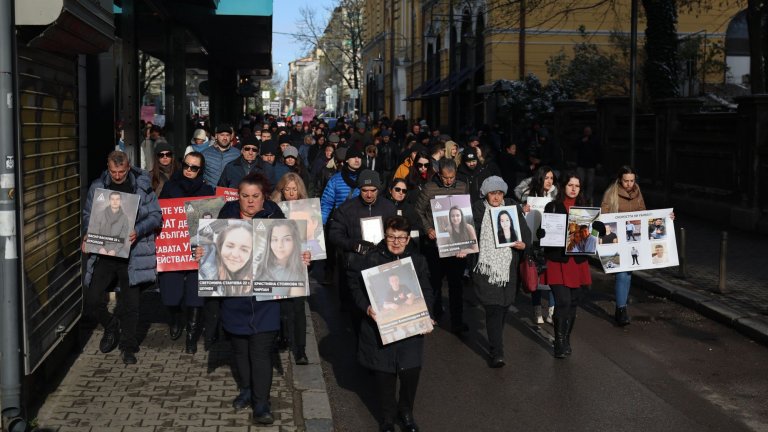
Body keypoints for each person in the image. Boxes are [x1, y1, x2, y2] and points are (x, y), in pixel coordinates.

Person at [195, 173, 309, 425]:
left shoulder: (274, 215)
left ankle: (261, 404)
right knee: (240, 348)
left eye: (255, 197)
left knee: (260, 351)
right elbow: (207, 246)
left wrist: (301, 259)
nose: (249, 202)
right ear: (238, 196)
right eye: (244, 196)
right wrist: (201, 250)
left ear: (264, 196)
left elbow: (289, 248)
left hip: (265, 299)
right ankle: (246, 389)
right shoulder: (225, 214)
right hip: (233, 297)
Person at [349, 216, 434, 432]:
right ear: (385, 236)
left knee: (410, 373)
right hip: (380, 330)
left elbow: (426, 291)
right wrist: (367, 307)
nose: (396, 242)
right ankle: (387, 419)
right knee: (384, 375)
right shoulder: (370, 259)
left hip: (410, 329)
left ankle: (406, 413)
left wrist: (428, 315)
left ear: (407, 239)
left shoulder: (418, 261)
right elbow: (356, 288)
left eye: (401, 238)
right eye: (391, 237)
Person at [82, 151, 162, 365]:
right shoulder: (98, 187)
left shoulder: (142, 187)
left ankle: (128, 346)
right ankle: (110, 326)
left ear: (128, 168)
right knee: (91, 299)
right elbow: (88, 215)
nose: (117, 176)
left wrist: (138, 229)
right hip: (106, 254)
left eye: (121, 172)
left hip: (132, 255)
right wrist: (88, 233)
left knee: (131, 305)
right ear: (108, 169)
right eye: (113, 172)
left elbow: (156, 216)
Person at [158, 151, 215, 352]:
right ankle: (175, 317)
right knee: (170, 294)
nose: (189, 170)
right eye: (186, 166)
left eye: (194, 167)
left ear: (200, 170)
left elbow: (213, 220)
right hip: (174, 249)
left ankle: (191, 334)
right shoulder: (170, 187)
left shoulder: (208, 190)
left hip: (198, 250)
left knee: (195, 293)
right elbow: (160, 213)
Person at [471, 176, 530, 367]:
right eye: (492, 193)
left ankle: (495, 341)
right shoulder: (477, 210)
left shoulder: (512, 209)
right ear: (485, 194)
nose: (495, 197)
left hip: (508, 266)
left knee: (504, 305)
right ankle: (497, 352)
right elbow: (467, 235)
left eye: (499, 193)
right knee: (493, 307)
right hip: (486, 267)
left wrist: (524, 244)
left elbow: (525, 232)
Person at [414, 158, 471, 333]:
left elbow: (466, 212)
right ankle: (435, 313)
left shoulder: (462, 186)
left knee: (456, 284)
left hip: (456, 244)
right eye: (445, 177)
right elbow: (418, 210)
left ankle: (457, 321)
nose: (448, 181)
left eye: (451, 177)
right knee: (435, 283)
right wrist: (428, 228)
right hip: (434, 245)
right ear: (439, 174)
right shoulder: (430, 188)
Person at [539, 172, 591, 358]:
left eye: (577, 185)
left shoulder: (585, 209)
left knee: (574, 303)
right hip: (557, 261)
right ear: (563, 187)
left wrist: (598, 230)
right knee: (563, 301)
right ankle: (559, 342)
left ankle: (566, 339)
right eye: (570, 185)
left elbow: (593, 233)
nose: (574, 188)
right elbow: (543, 234)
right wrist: (542, 233)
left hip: (577, 262)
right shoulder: (553, 206)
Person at [601, 166, 647, 326]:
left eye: (632, 181)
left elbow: (644, 213)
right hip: (616, 240)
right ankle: (621, 309)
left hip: (632, 241)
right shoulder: (611, 193)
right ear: (620, 179)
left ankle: (622, 307)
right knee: (621, 274)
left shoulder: (637, 192)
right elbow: (604, 215)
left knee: (627, 274)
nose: (629, 184)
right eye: (626, 181)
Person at [515, 166, 557, 324]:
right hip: (533, 240)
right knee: (535, 275)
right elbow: (518, 213)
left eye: (551, 178)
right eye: (547, 178)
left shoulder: (555, 195)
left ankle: (552, 311)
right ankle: (537, 309)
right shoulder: (529, 195)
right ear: (540, 178)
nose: (549, 181)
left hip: (551, 240)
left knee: (552, 276)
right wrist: (522, 209)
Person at [320, 148, 363, 224]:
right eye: (353, 157)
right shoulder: (336, 180)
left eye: (359, 157)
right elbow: (326, 204)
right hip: (341, 223)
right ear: (346, 160)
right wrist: (320, 225)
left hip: (360, 223)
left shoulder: (367, 178)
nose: (357, 160)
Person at [89, 191, 131, 256]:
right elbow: (94, 233)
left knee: (125, 255)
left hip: (116, 248)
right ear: (109, 200)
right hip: (99, 246)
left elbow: (123, 237)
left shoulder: (124, 218)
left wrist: (115, 250)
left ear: (120, 201)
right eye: (112, 199)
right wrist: (100, 249)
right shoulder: (100, 215)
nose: (115, 201)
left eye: (117, 199)